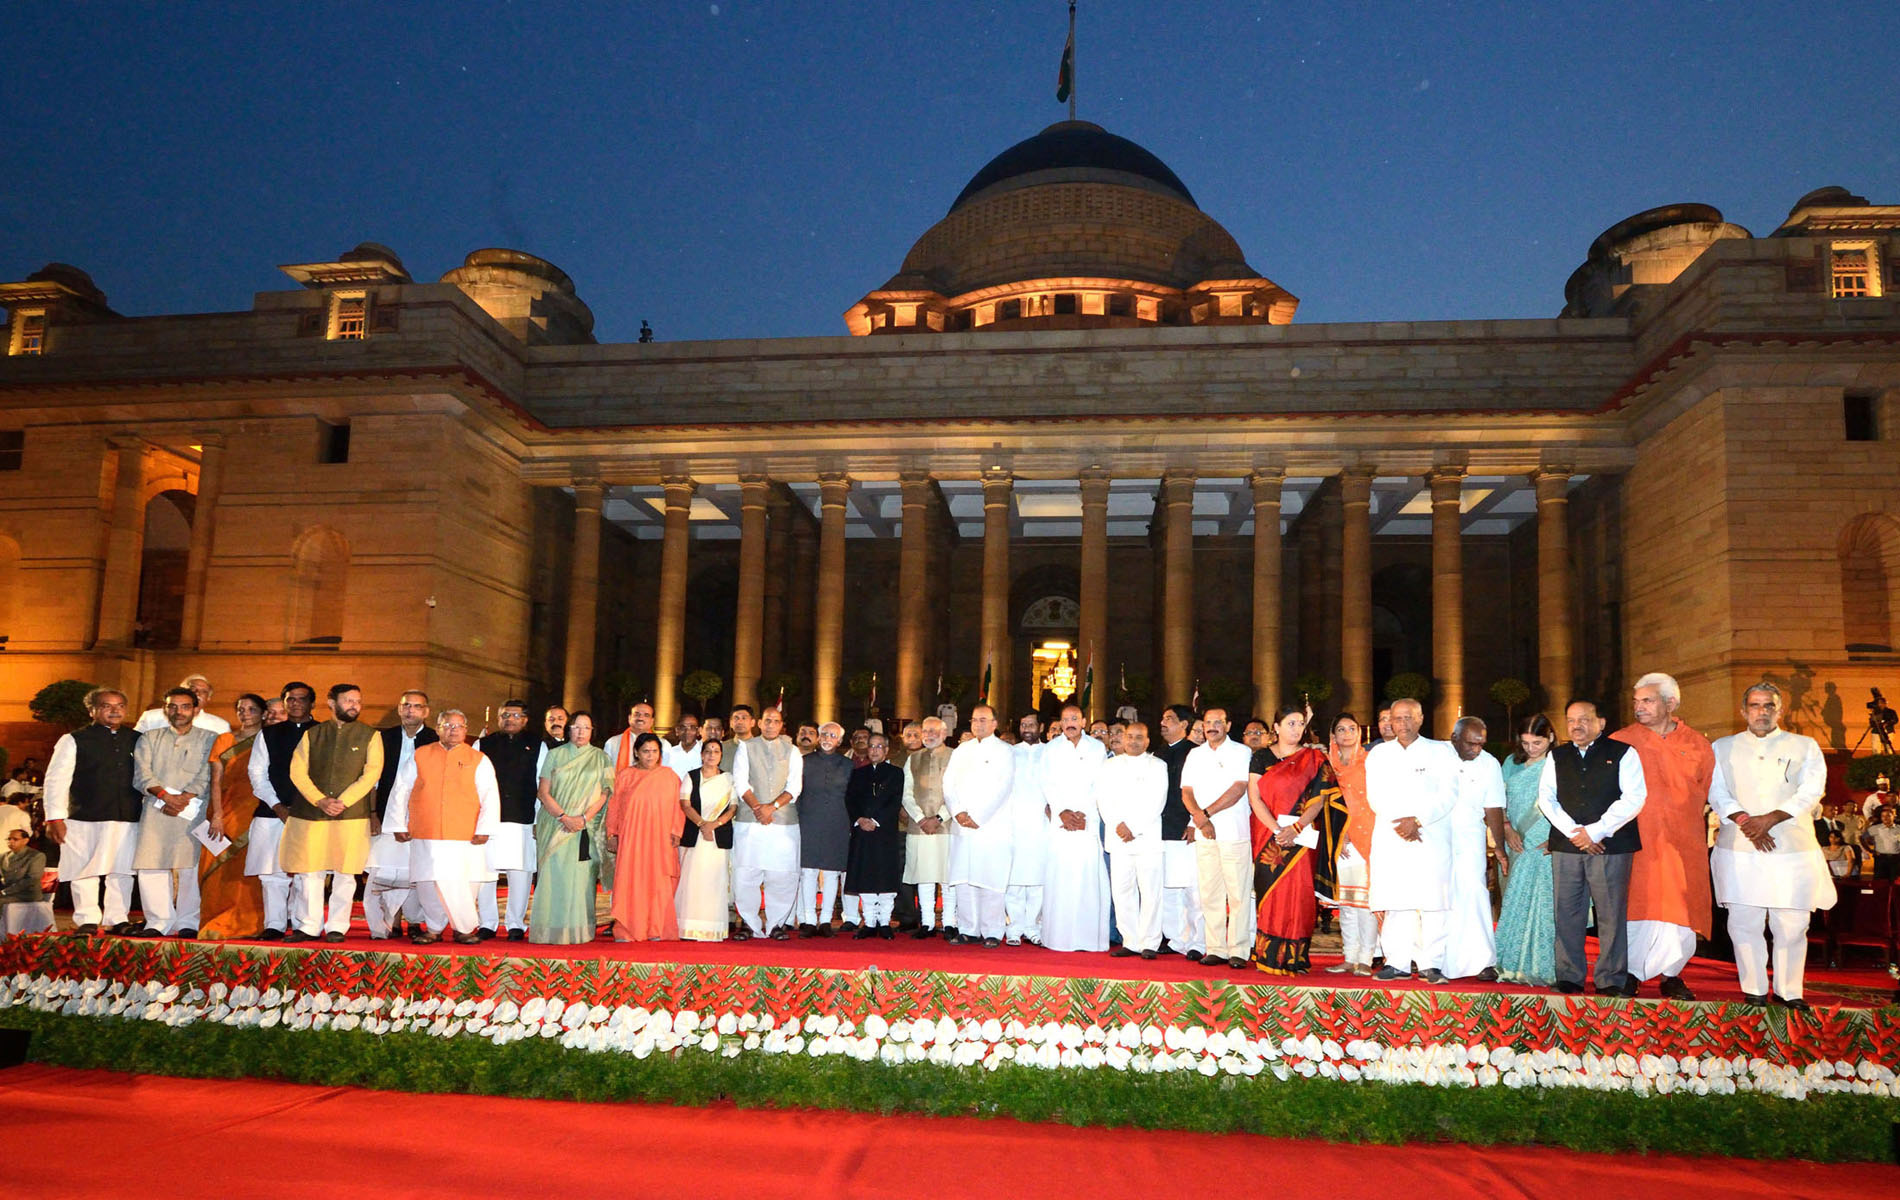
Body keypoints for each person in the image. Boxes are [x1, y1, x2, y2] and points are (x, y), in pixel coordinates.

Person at [1709, 682, 1835, 1010]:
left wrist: (1772, 818)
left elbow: (1811, 791)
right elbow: (1716, 792)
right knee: (1744, 920)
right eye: (1755, 705)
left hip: (1792, 845)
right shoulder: (1722, 747)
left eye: (1769, 706)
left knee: (1792, 923)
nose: (1762, 712)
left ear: (1781, 711)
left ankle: (1789, 991)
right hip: (1740, 845)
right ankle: (1753, 990)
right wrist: (1747, 822)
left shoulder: (1804, 746)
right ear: (1743, 711)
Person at [1612, 672, 1716, 1000]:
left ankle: (1673, 975)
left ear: (1670, 703)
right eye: (1636, 701)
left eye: (1647, 700)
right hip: (1636, 845)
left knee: (1681, 911)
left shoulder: (1697, 744)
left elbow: (1715, 792)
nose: (1637, 706)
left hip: (1684, 845)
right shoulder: (1619, 741)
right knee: (1635, 906)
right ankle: (1628, 973)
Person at [1538, 699, 1647, 996]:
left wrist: (1597, 831)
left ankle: (1611, 978)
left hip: (1610, 845)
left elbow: (1635, 797)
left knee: (1610, 912)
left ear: (1601, 723)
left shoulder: (1623, 753)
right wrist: (1577, 834)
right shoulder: (1557, 756)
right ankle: (1570, 975)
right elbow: (1546, 798)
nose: (1577, 726)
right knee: (1567, 911)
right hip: (1568, 845)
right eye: (1571, 720)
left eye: (1584, 719)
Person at [1365, 698, 1461, 982]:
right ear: (1389, 722)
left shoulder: (1441, 752)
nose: (1402, 724)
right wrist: (1403, 823)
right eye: (1397, 718)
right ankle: (1397, 963)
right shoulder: (1379, 754)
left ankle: (1431, 963)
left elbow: (1448, 794)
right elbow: (1376, 796)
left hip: (1429, 834)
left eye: (1408, 718)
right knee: (1397, 900)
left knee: (1433, 901)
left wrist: (1417, 820)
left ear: (1420, 719)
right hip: (1392, 834)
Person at [384, 710, 499, 945]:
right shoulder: (421, 755)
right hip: (426, 829)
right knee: (427, 881)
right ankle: (433, 929)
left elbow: (490, 795)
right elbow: (401, 790)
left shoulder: (478, 758)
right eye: (447, 725)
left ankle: (464, 929)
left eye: (458, 726)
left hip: (464, 832)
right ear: (437, 729)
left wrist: (485, 828)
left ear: (466, 730)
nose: (453, 730)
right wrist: (397, 823)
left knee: (462, 883)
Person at [1247, 705, 1346, 975]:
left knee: (1300, 896)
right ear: (1276, 728)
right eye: (1290, 723)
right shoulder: (1260, 757)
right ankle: (1269, 955)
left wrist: (1297, 827)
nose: (1297, 729)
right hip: (1268, 836)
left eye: (1300, 723)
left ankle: (1296, 957)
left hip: (1302, 837)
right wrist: (1278, 829)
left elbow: (1321, 798)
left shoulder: (1313, 758)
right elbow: (1254, 797)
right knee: (1271, 895)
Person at [283, 683, 384, 942]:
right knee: (309, 871)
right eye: (348, 700)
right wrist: (320, 800)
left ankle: (337, 926)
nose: (354, 705)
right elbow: (297, 771)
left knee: (346, 872)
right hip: (311, 813)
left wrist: (343, 801)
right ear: (331, 703)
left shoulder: (370, 735)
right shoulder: (313, 734)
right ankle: (308, 926)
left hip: (350, 815)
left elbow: (372, 773)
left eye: (358, 701)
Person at [43, 688, 142, 934]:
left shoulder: (137, 738)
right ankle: (86, 918)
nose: (114, 710)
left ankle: (117, 918)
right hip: (83, 816)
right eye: (107, 706)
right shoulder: (74, 739)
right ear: (92, 710)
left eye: (119, 705)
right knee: (83, 868)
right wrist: (54, 817)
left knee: (122, 869)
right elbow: (56, 780)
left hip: (127, 815)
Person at [129, 687, 218, 939]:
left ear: (195, 709)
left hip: (194, 810)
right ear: (165, 709)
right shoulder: (149, 737)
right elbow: (142, 774)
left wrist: (184, 798)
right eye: (172, 706)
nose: (178, 711)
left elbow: (208, 774)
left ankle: (188, 921)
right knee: (151, 864)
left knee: (190, 866)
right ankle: (158, 922)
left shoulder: (209, 738)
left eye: (185, 706)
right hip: (156, 808)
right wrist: (165, 796)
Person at [1179, 707, 1255, 969]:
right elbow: (1186, 791)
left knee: (1238, 894)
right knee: (1209, 893)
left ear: (1228, 724)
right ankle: (1215, 948)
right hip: (1204, 833)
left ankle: (1239, 950)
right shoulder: (1195, 754)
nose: (1212, 727)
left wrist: (1206, 814)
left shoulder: (1241, 752)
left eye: (1217, 722)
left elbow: (1238, 788)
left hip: (1233, 831)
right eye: (1208, 723)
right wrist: (1199, 818)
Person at [532, 712, 612, 945]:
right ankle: (549, 932)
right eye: (576, 727)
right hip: (556, 824)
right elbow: (543, 792)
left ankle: (578, 932)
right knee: (553, 877)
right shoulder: (554, 755)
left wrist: (583, 818)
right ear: (569, 729)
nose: (580, 732)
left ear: (592, 731)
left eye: (585, 728)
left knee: (580, 880)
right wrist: (564, 816)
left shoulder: (602, 758)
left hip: (585, 828)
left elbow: (606, 792)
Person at [245, 682, 317, 938]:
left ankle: (304, 926)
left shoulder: (323, 733)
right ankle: (274, 925)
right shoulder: (268, 734)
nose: (296, 704)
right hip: (271, 810)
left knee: (307, 873)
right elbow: (256, 773)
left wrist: (307, 805)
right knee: (272, 872)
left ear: (312, 704)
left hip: (312, 813)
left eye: (301, 699)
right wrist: (276, 805)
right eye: (290, 699)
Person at [366, 691, 437, 941]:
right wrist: (373, 813)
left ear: (426, 712)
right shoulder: (382, 738)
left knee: (417, 868)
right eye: (406, 705)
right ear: (399, 709)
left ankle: (416, 921)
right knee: (386, 867)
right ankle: (390, 920)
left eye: (417, 707)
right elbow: (371, 781)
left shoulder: (435, 740)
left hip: (421, 815)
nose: (411, 711)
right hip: (385, 812)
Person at [942, 704, 1016, 946]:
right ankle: (968, 928)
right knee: (964, 878)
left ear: (995, 723)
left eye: (983, 720)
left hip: (991, 825)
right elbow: (949, 784)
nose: (978, 724)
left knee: (990, 879)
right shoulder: (962, 750)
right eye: (974, 720)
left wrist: (978, 816)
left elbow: (1002, 788)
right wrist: (959, 812)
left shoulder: (1005, 751)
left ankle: (993, 931)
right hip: (962, 825)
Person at [1039, 705, 1110, 952]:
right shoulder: (1051, 748)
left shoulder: (1097, 748)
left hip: (1087, 821)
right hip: (1061, 822)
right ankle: (1058, 938)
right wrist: (1062, 812)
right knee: (1061, 877)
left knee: (1086, 877)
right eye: (1065, 719)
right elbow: (1047, 783)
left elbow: (1100, 784)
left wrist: (1084, 815)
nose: (1070, 723)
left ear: (1083, 721)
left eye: (1074, 718)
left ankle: (1088, 939)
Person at [1494, 714, 1558, 986]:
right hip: (1515, 841)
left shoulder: (1560, 763)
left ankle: (1542, 966)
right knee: (1513, 900)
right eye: (1526, 743)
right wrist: (1506, 828)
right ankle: (1509, 964)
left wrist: (1557, 838)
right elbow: (1497, 800)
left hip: (1545, 842)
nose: (1532, 748)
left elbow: (1568, 804)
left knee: (1543, 905)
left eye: (1538, 742)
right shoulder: (1512, 763)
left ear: (1551, 738)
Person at [1442, 716, 1507, 981]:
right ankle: (1434, 960)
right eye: (1471, 744)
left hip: (1470, 837)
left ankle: (1482, 961)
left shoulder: (1489, 763)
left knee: (1474, 892)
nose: (1476, 750)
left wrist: (1500, 849)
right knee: (1440, 898)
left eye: (1481, 744)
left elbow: (1493, 806)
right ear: (1454, 738)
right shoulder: (1437, 755)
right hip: (1436, 836)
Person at [198, 693, 268, 940]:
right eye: (241, 709)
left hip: (258, 811)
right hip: (225, 810)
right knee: (218, 869)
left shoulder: (268, 739)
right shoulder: (225, 740)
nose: (245, 714)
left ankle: (252, 923)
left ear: (263, 714)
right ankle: (218, 919)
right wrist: (216, 815)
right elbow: (216, 780)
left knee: (252, 869)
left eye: (252, 710)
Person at [605, 731, 685, 941]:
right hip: (632, 838)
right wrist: (612, 833)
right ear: (637, 753)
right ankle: (628, 928)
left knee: (657, 882)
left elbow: (679, 807)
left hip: (660, 838)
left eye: (654, 751)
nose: (650, 756)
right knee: (631, 881)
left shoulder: (669, 776)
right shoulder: (625, 775)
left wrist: (677, 831)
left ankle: (655, 928)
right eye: (646, 751)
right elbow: (614, 807)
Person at [731, 706, 803, 939]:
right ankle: (750, 924)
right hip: (750, 820)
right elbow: (740, 782)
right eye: (767, 720)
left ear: (782, 725)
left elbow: (795, 786)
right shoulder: (746, 747)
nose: (771, 724)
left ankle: (775, 924)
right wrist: (757, 808)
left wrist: (772, 807)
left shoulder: (792, 751)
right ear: (759, 723)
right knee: (746, 874)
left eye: (776, 721)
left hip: (783, 822)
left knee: (782, 875)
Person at [1098, 721, 1167, 958]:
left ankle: (1150, 942)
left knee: (1150, 892)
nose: (1134, 741)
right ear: (1123, 738)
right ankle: (1130, 940)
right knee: (1122, 890)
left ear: (1147, 741)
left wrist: (1133, 827)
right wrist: (1118, 825)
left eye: (1139, 737)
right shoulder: (1109, 765)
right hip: (1118, 838)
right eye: (1130, 736)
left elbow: (1157, 801)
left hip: (1146, 837)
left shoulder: (1158, 765)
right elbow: (1103, 800)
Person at [476, 699, 540, 941]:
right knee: (486, 872)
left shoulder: (536, 745)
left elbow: (541, 781)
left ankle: (515, 923)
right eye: (505, 715)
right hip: (489, 819)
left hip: (523, 818)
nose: (509, 720)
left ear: (524, 719)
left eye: (515, 715)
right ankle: (488, 923)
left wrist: (537, 817)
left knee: (520, 872)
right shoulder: (482, 744)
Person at [1323, 713, 1378, 975]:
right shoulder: (1327, 766)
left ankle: (1366, 958)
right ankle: (1348, 956)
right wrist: (1339, 833)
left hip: (1366, 835)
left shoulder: (1369, 762)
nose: (1346, 733)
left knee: (1364, 901)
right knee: (1345, 902)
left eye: (1352, 728)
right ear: (1333, 735)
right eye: (1341, 729)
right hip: (1336, 839)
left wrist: (1351, 831)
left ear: (1359, 732)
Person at [844, 732, 905, 938]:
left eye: (879, 747)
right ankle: (869, 922)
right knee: (866, 876)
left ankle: (884, 922)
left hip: (885, 831)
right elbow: (850, 800)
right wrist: (860, 820)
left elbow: (894, 802)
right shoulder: (858, 773)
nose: (874, 750)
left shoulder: (896, 773)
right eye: (871, 746)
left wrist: (876, 821)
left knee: (885, 876)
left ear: (886, 750)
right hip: (862, 832)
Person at [1154, 704, 1202, 959]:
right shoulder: (1158, 753)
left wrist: (1195, 823)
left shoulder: (1196, 753)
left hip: (1186, 830)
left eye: (1169, 719)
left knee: (1192, 891)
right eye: (1163, 718)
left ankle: (1197, 942)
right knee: (1166, 889)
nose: (1163, 722)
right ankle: (1173, 939)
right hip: (1160, 830)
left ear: (1184, 725)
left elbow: (1201, 792)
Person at [797, 723, 854, 936]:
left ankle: (826, 920)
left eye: (833, 735)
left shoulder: (848, 765)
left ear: (839, 741)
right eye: (824, 734)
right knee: (808, 872)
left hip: (837, 822)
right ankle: (809, 920)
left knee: (832, 874)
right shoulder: (804, 762)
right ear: (818, 738)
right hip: (808, 821)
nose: (828, 738)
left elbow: (851, 797)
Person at [676, 738, 735, 941]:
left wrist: (714, 825)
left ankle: (712, 929)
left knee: (714, 880)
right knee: (692, 879)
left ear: (721, 755)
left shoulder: (728, 779)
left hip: (717, 838)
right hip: (696, 835)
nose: (711, 755)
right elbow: (685, 804)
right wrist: (703, 824)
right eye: (708, 751)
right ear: (701, 754)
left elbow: (733, 807)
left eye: (716, 751)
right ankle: (687, 927)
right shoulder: (691, 776)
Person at [901, 716, 954, 937]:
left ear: (944, 734)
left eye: (934, 731)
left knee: (948, 877)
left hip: (948, 826)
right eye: (926, 731)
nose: (929, 735)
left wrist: (939, 818)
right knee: (924, 876)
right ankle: (928, 923)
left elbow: (957, 793)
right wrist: (922, 819)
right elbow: (906, 793)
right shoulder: (913, 758)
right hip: (919, 827)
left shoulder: (955, 756)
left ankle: (950, 922)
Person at [1005, 712, 1047, 946]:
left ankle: (1033, 926)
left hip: (1041, 823)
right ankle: (1014, 927)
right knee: (1014, 878)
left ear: (1040, 727)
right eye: (1023, 725)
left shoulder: (1049, 752)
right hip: (1014, 821)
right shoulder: (1010, 752)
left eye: (1031, 724)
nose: (1027, 728)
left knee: (1037, 879)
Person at [134, 673, 231, 735]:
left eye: (204, 692)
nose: (197, 694)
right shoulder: (151, 717)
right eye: (193, 689)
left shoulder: (220, 726)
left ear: (208, 698)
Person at [0, 827, 49, 935]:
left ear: (25, 841)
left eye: (15, 839)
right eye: (8, 839)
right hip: (7, 893)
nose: (11, 842)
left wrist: (5, 892)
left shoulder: (36, 856)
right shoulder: (3, 856)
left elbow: (31, 879)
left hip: (27, 894)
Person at [1865, 806, 1900, 879]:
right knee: (1880, 881)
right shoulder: (1874, 828)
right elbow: (1862, 838)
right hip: (1880, 858)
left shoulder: (1898, 828)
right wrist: (1869, 850)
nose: (1885, 818)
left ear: (1894, 816)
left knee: (1895, 881)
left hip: (1896, 859)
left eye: (1888, 816)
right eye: (1883, 816)